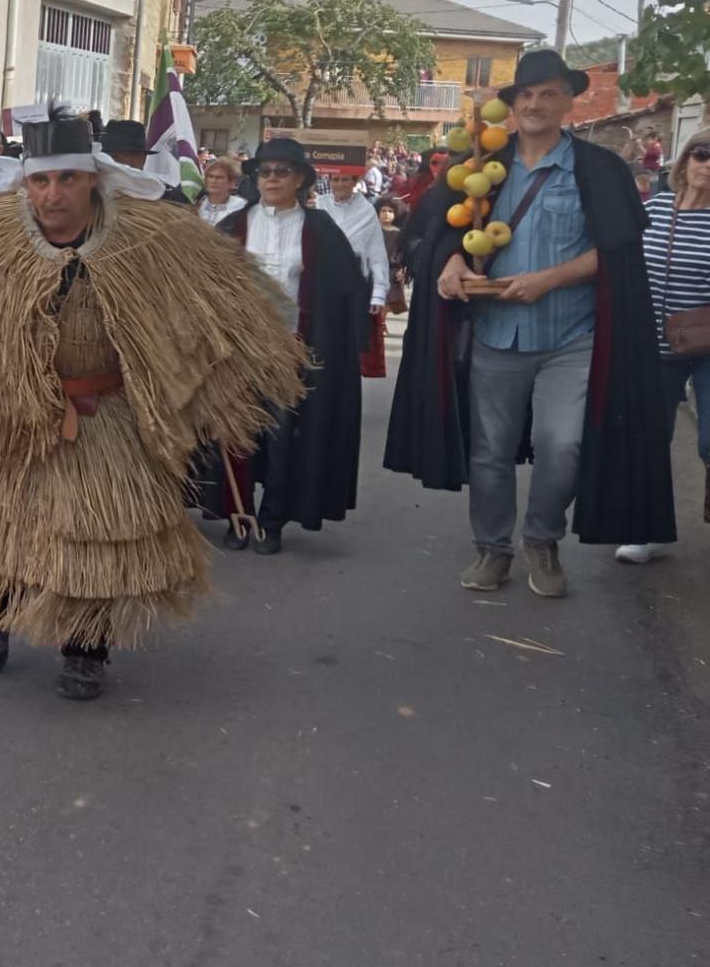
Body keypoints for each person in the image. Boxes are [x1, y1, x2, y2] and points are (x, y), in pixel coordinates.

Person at [0, 106, 307, 701]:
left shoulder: (152, 237)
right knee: (5, 533)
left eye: (67, 179)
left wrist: (191, 396)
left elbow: (226, 314)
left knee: (98, 540)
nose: (53, 194)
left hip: (108, 415)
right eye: (41, 180)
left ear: (93, 177)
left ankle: (86, 650)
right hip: (9, 416)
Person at [386, 49, 674, 596]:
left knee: (561, 445)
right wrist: (449, 262)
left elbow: (617, 253)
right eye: (526, 95)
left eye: (548, 93)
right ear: (511, 105)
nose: (536, 104)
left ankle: (542, 539)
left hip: (572, 336)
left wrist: (552, 278)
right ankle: (492, 549)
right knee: (489, 450)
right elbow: (433, 233)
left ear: (569, 100)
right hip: (494, 335)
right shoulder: (477, 168)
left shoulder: (598, 169)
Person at [198, 138, 368, 555]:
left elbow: (345, 290)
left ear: (300, 180)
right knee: (236, 436)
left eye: (282, 172)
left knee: (283, 436)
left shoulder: (321, 229)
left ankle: (273, 518)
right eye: (265, 172)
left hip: (294, 350)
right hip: (238, 352)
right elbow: (203, 286)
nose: (272, 178)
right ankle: (240, 516)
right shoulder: (233, 226)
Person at [616, 126, 710, 562]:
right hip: (656, 342)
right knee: (652, 436)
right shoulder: (654, 208)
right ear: (685, 160)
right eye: (701, 153)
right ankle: (647, 528)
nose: (706, 163)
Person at [315, 166, 393, 378]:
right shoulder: (319, 205)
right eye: (336, 179)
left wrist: (378, 292)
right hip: (322, 284)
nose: (340, 184)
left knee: (350, 348)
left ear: (355, 181)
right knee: (321, 344)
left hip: (355, 286)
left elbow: (377, 253)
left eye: (345, 180)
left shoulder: (366, 210)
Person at [196, 157, 245, 224]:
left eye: (219, 178)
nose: (213, 181)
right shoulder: (199, 204)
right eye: (210, 176)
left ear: (231, 182)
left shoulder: (239, 206)